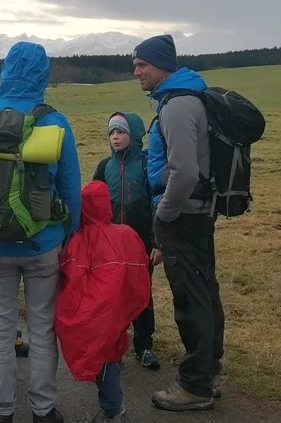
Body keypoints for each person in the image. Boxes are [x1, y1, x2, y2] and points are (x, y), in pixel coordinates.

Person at [0, 42, 81, 423]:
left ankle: (0, 410)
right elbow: (70, 187)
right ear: (43, 74)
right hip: (43, 243)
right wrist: (70, 233)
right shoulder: (54, 122)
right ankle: (43, 409)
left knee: (0, 328)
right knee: (42, 328)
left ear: (5, 71)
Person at [134, 34, 224, 412]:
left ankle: (195, 387)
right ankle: (208, 372)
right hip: (198, 211)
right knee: (205, 292)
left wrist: (164, 214)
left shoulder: (176, 106)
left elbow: (184, 171)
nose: (136, 72)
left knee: (190, 299)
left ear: (162, 66)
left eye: (142, 65)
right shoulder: (190, 96)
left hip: (183, 215)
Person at [57, 181, 152, 423]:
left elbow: (72, 276)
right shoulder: (126, 234)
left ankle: (112, 409)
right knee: (112, 350)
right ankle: (113, 405)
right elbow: (140, 271)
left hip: (95, 312)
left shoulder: (81, 239)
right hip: (120, 310)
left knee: (101, 355)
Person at [91, 111, 161, 370]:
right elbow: (94, 206)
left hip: (140, 243)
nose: (115, 137)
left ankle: (144, 346)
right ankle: (114, 346)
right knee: (113, 294)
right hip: (111, 245)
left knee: (141, 293)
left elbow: (157, 205)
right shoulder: (103, 167)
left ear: (134, 135)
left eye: (121, 132)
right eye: (111, 132)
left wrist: (157, 243)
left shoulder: (146, 165)